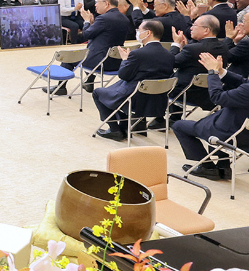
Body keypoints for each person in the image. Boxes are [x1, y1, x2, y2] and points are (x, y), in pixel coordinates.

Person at [93, 20, 175, 141]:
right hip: (157, 99)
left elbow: (123, 75)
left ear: (148, 33)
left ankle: (115, 129)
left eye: (139, 31)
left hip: (134, 97)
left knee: (98, 93)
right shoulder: (169, 55)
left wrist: (125, 60)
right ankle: (125, 126)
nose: (137, 33)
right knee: (113, 90)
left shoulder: (137, 54)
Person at [171, 52, 249, 180]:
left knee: (179, 125)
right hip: (242, 132)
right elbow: (243, 82)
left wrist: (212, 72)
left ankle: (207, 167)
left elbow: (217, 97)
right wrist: (222, 71)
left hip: (232, 134)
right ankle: (223, 166)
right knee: (213, 120)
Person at [54, 0, 130, 95]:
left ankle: (60, 88)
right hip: (116, 62)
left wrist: (86, 21)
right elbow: (104, 35)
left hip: (100, 62)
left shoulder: (103, 18)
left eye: (97, 2)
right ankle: (89, 82)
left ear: (106, 4)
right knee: (93, 51)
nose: (95, 5)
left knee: (69, 58)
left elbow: (86, 35)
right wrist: (92, 24)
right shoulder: (124, 18)